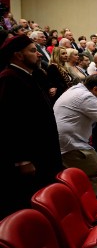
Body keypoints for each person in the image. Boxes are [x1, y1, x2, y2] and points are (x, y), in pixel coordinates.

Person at [0, 34, 62, 218]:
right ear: (18, 55)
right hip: (31, 157)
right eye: (33, 51)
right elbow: (9, 122)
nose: (40, 55)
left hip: (42, 153)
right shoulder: (9, 78)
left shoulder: (28, 76)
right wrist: (22, 159)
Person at [53, 75, 97, 195]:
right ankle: (85, 207)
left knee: (76, 179)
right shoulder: (87, 96)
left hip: (63, 141)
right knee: (96, 172)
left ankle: (80, 205)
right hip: (72, 143)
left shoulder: (74, 89)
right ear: (95, 89)